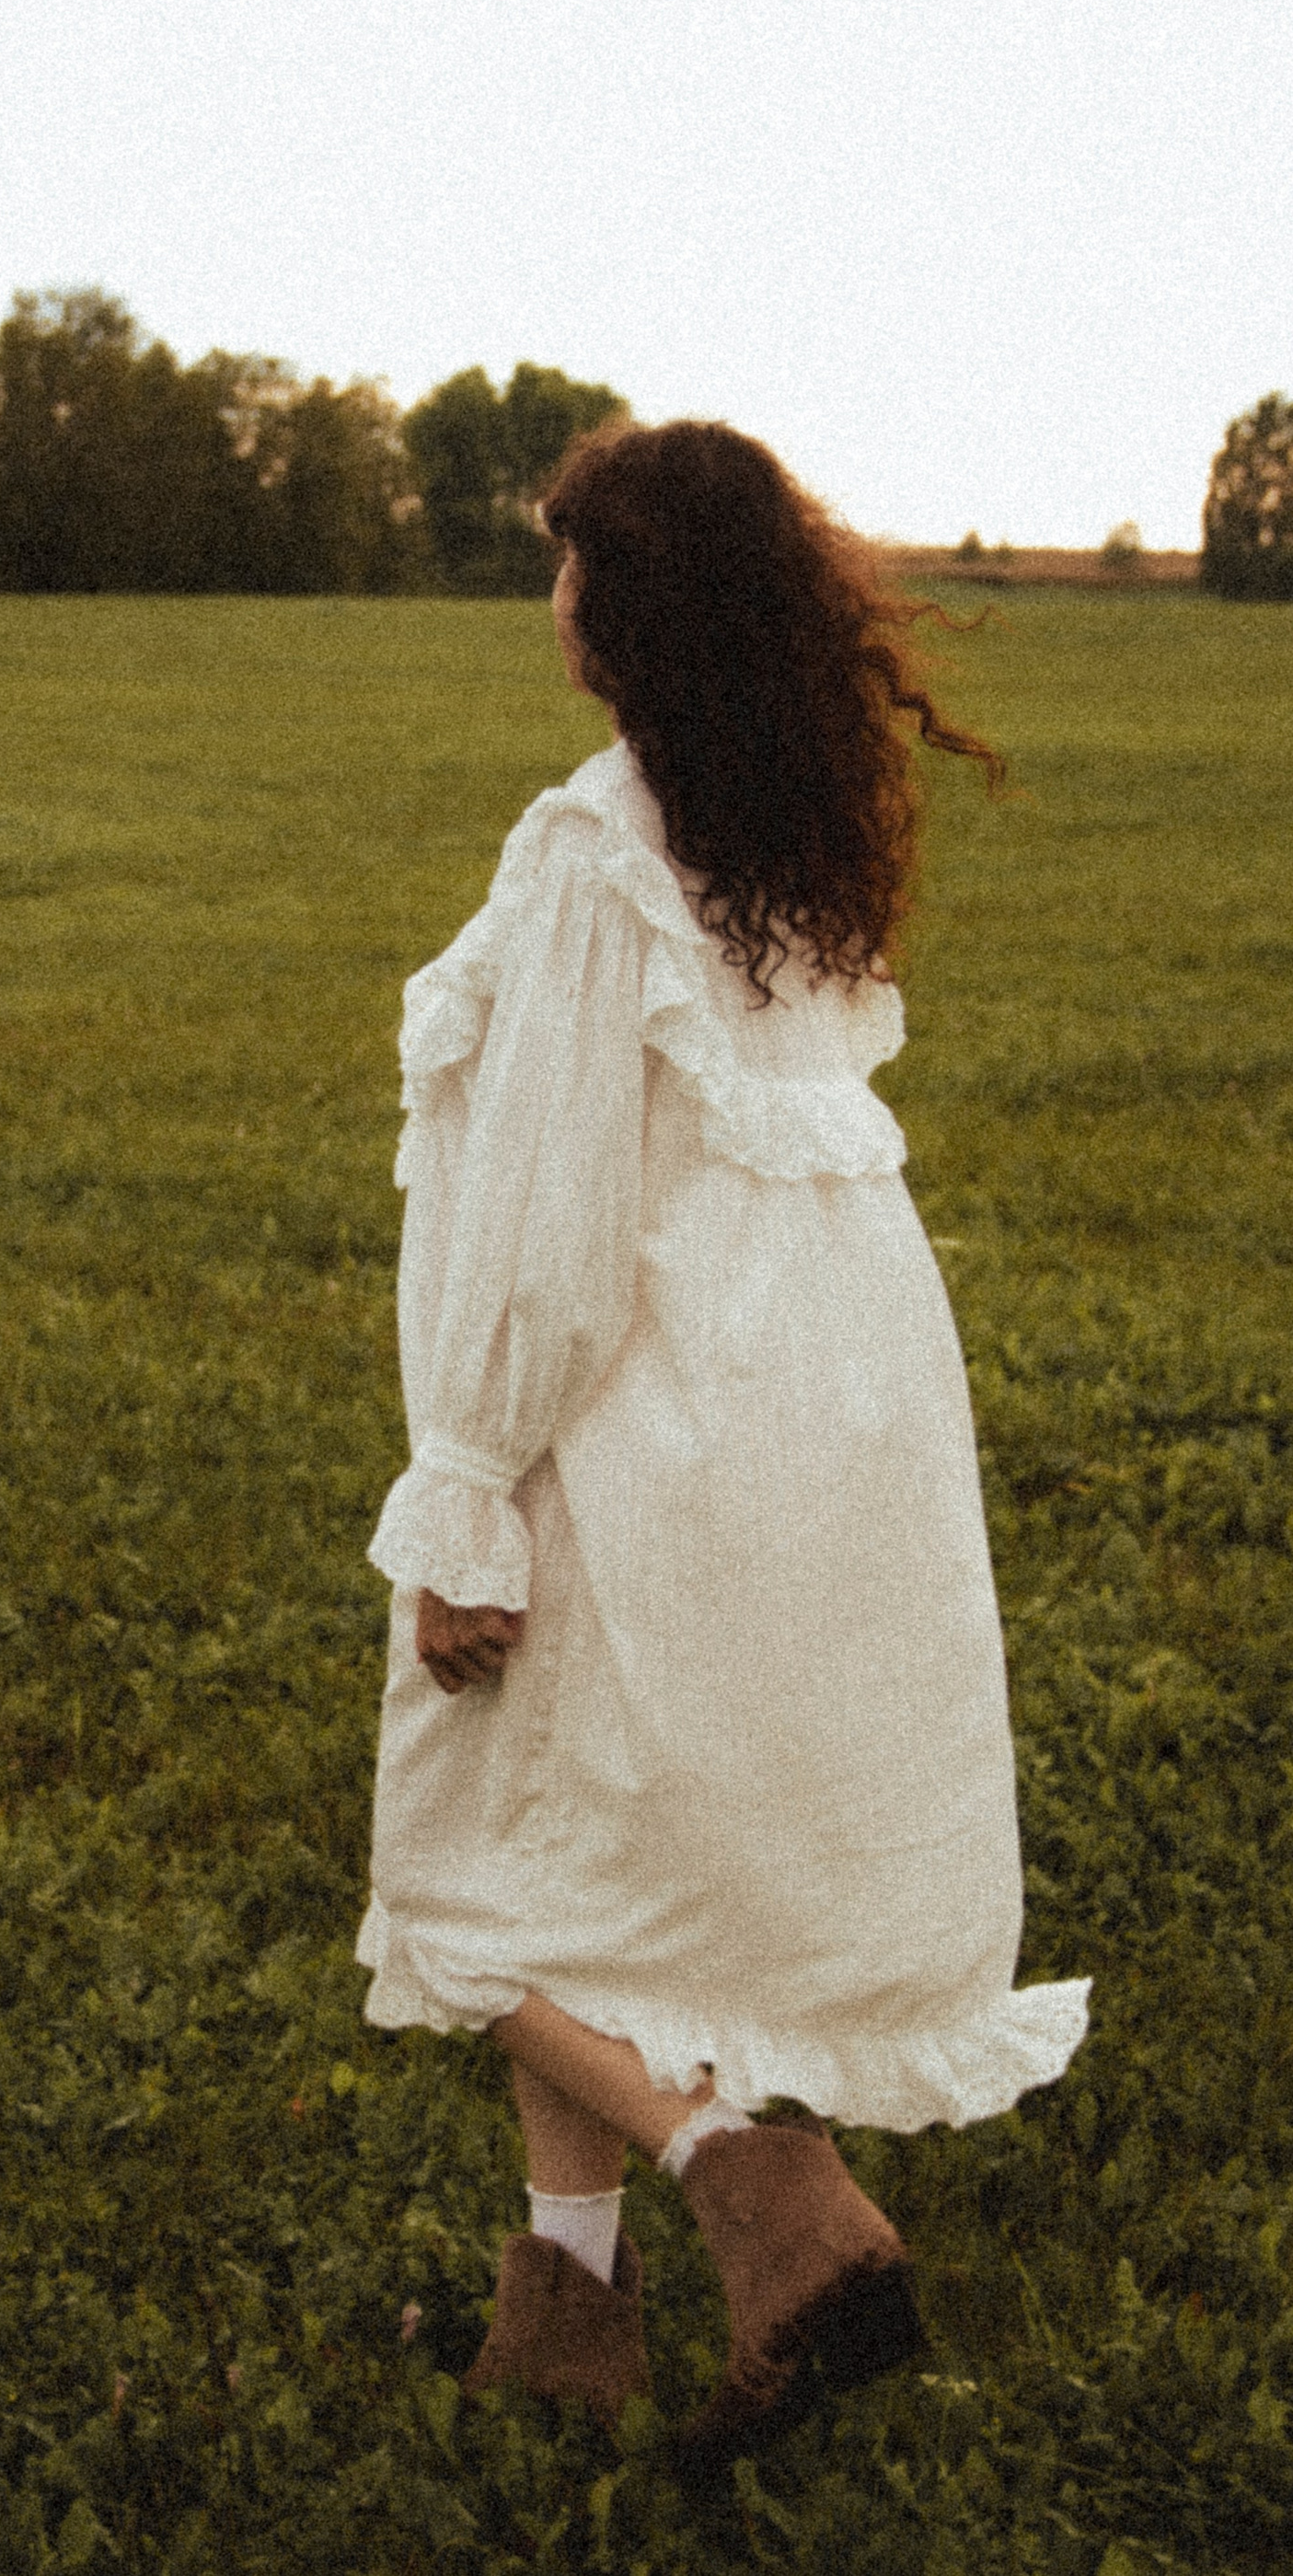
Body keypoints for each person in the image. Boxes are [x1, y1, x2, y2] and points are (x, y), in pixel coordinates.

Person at [356, 419, 1089, 2469]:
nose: (552, 599)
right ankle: (561, 2327)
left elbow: (548, 1224)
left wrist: (467, 1488)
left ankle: (752, 2185)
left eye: (573, 562)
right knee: (594, 1860)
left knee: (458, 1874)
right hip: (814, 1407)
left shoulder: (593, 850)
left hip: (636, 1412)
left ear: (636, 609)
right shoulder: (783, 835)